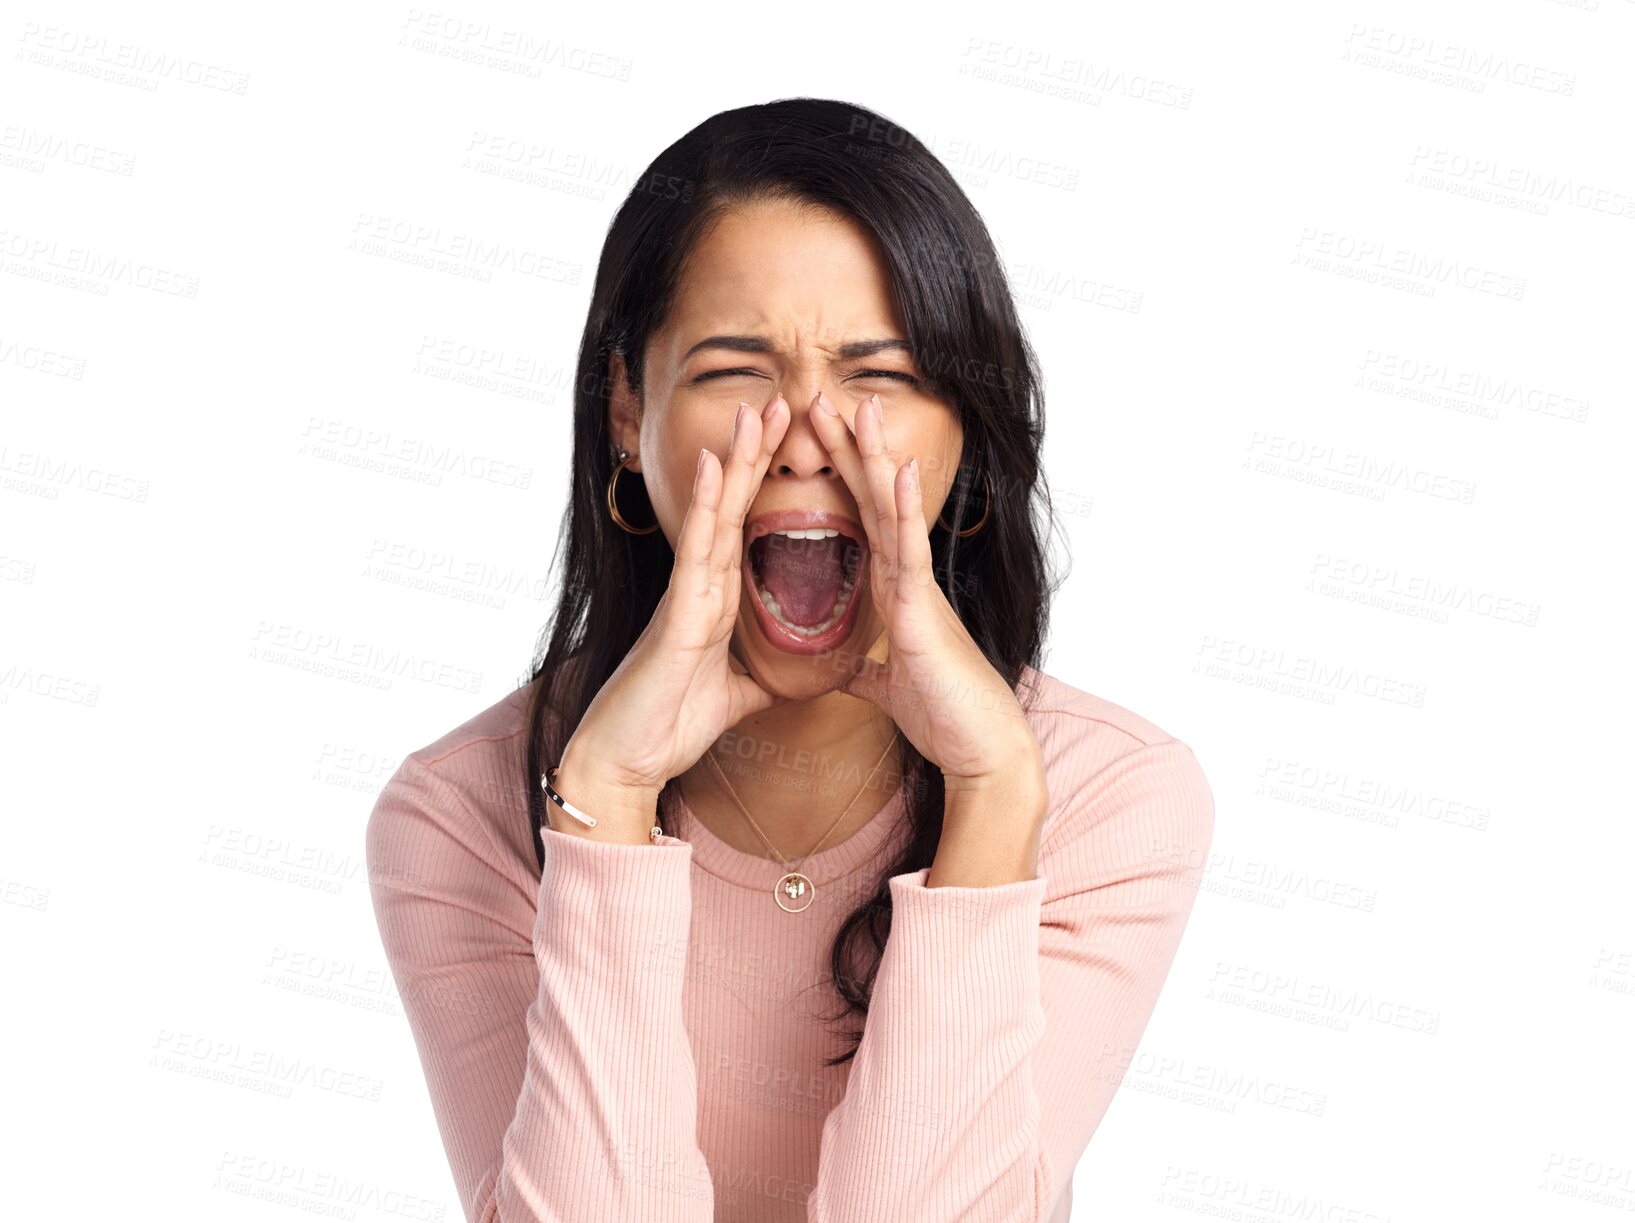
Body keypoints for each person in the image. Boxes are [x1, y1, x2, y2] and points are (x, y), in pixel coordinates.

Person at [365, 97, 1214, 1223]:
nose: (810, 433)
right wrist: (606, 809)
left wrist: (993, 800)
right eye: (737, 368)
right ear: (628, 408)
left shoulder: (1115, 796)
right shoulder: (459, 814)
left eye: (882, 376)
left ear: (966, 423)